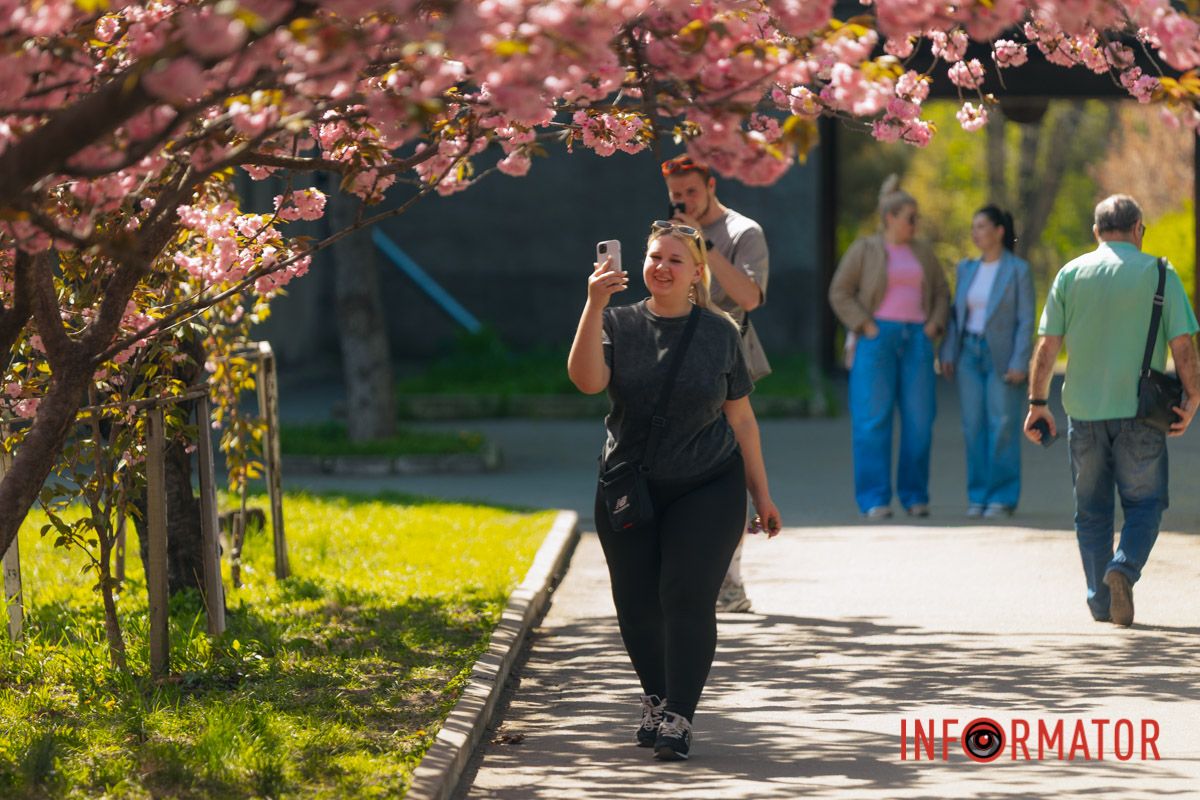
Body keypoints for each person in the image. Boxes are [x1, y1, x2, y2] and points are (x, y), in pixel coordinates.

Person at [567, 220, 782, 761]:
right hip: (629, 484)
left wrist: (762, 496)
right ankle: (657, 699)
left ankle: (680, 716)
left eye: (675, 260)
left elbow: (743, 421)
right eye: (653, 257)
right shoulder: (615, 322)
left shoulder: (720, 332)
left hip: (707, 483)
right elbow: (588, 382)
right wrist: (592, 305)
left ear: (696, 274)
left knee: (685, 595)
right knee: (637, 603)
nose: (661, 267)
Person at [1025, 194, 1200, 627]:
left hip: (1083, 413)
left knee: (1091, 508)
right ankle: (1123, 567)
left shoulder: (1071, 273)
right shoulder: (1161, 273)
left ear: (1096, 232)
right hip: (1142, 413)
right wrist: (1192, 397)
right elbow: (1183, 346)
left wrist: (1037, 403)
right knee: (1146, 503)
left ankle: (1101, 601)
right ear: (1138, 227)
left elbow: (1048, 346)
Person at [661, 154, 770, 614]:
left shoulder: (745, 232)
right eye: (676, 195)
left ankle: (730, 581)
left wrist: (703, 244)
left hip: (729, 362)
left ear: (710, 184)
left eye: (691, 192)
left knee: (731, 464)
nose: (683, 202)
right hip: (678, 359)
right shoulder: (670, 232)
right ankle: (686, 575)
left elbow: (749, 297)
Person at [828, 176, 950, 518]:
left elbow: (941, 291)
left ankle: (914, 495)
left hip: (918, 340)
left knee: (920, 421)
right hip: (876, 338)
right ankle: (874, 498)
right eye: (910, 217)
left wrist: (933, 326)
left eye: (916, 218)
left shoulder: (923, 252)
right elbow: (839, 292)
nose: (915, 223)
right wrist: (865, 325)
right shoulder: (865, 249)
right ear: (890, 218)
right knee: (872, 420)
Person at [940, 206, 1036, 518]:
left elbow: (1025, 321)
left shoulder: (1018, 270)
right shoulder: (966, 269)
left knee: (1003, 424)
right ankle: (978, 495)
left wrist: (1021, 361)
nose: (975, 232)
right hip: (969, 353)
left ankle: (1003, 496)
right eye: (973, 226)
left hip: (1002, 356)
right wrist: (948, 353)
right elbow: (956, 316)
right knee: (973, 426)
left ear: (999, 231)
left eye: (981, 226)